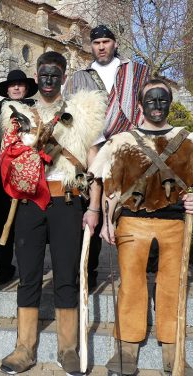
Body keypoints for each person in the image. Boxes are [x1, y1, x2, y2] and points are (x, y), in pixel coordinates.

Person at [89, 78, 193, 375]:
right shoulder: (122, 141)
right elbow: (111, 185)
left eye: (162, 100)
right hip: (133, 222)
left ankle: (174, 353)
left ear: (169, 103)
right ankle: (126, 351)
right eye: (151, 101)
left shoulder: (187, 141)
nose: (157, 106)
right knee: (131, 285)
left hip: (174, 224)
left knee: (172, 287)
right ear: (141, 105)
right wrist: (108, 222)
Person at [0, 51, 105, 374]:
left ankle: (68, 348)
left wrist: (95, 207)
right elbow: (8, 158)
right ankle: (24, 348)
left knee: (66, 276)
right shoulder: (18, 114)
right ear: (36, 74)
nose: (48, 80)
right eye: (43, 74)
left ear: (63, 75)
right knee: (28, 275)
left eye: (54, 74)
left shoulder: (82, 113)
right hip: (30, 204)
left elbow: (96, 164)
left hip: (68, 202)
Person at [64, 24, 151, 290]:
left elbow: (147, 103)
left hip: (127, 146)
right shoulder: (79, 76)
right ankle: (88, 272)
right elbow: (68, 111)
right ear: (91, 46)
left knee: (130, 208)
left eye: (106, 41)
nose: (101, 46)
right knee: (92, 209)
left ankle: (135, 272)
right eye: (96, 43)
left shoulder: (136, 71)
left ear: (115, 43)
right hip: (92, 148)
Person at [0, 69, 37, 285]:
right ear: (6, 89)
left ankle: (28, 269)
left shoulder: (34, 110)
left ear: (26, 88)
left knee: (26, 226)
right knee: (2, 222)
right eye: (12, 85)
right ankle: (4, 267)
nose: (16, 88)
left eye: (20, 84)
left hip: (27, 175)